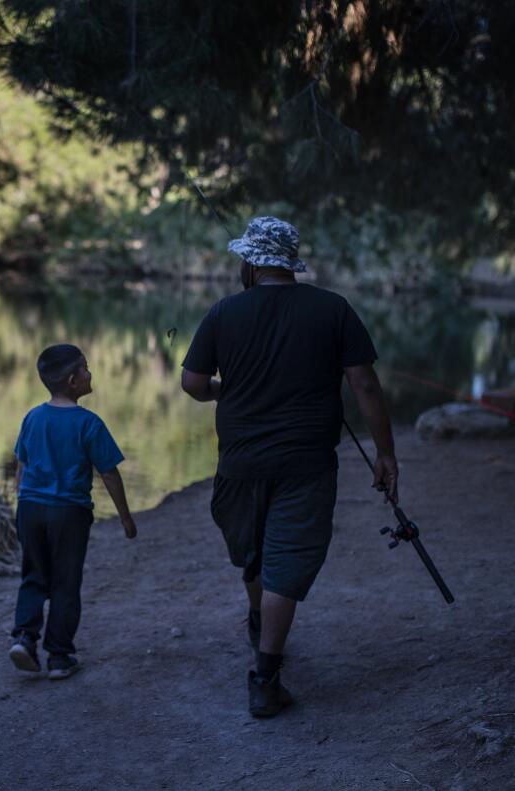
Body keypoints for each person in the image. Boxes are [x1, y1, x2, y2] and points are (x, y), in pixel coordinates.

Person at [180, 216, 397, 718]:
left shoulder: (222, 312)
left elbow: (193, 384)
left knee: (254, 554)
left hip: (239, 461)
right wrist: (386, 453)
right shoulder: (333, 309)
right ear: (288, 265)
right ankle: (265, 676)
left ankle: (261, 632)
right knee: (285, 558)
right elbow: (364, 386)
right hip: (308, 461)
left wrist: (222, 391)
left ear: (252, 262)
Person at [10, 343, 139, 679]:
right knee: (66, 581)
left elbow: (21, 468)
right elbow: (108, 473)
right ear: (72, 380)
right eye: (85, 368)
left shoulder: (32, 418)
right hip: (69, 512)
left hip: (31, 508)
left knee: (34, 574)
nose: (90, 373)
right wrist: (125, 517)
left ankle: (25, 638)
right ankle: (59, 656)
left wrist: (21, 505)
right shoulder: (89, 424)